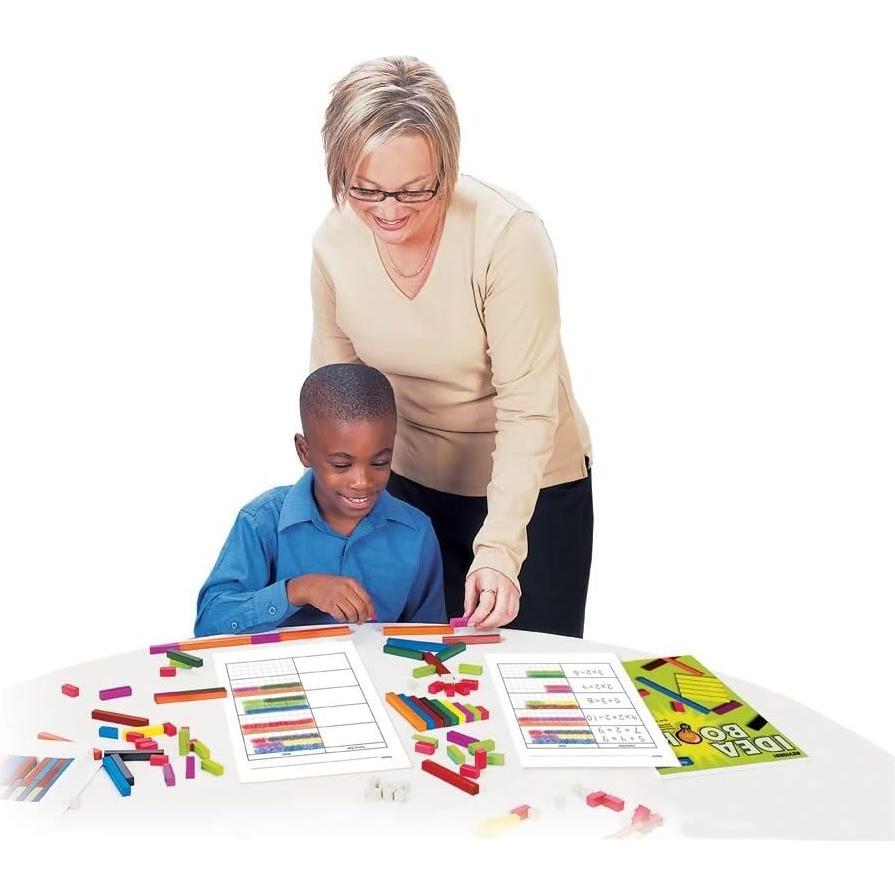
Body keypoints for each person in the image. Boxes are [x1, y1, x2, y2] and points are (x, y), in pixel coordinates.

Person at [311, 56, 593, 637]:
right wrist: (325, 520)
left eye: (416, 190)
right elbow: (335, 396)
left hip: (531, 488)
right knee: (409, 670)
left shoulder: (507, 237)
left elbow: (527, 409)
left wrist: (500, 548)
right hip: (406, 485)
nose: (390, 211)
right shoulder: (334, 243)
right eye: (367, 190)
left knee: (525, 675)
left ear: (448, 165)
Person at [194, 363, 446, 636]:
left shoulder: (416, 532)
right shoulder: (261, 522)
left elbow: (430, 637)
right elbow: (209, 624)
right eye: (341, 465)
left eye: (380, 462)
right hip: (284, 664)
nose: (362, 481)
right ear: (305, 452)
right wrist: (298, 590)